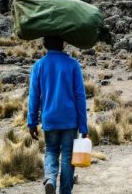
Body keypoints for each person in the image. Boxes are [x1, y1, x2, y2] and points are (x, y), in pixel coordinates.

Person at [28, 36, 88, 194]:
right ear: (63, 44)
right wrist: (83, 126)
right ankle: (65, 191)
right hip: (70, 120)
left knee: (51, 151)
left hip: (50, 119)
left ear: (45, 45)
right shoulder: (73, 64)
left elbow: (34, 96)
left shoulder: (38, 65)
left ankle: (50, 179)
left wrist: (31, 122)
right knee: (68, 156)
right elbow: (80, 96)